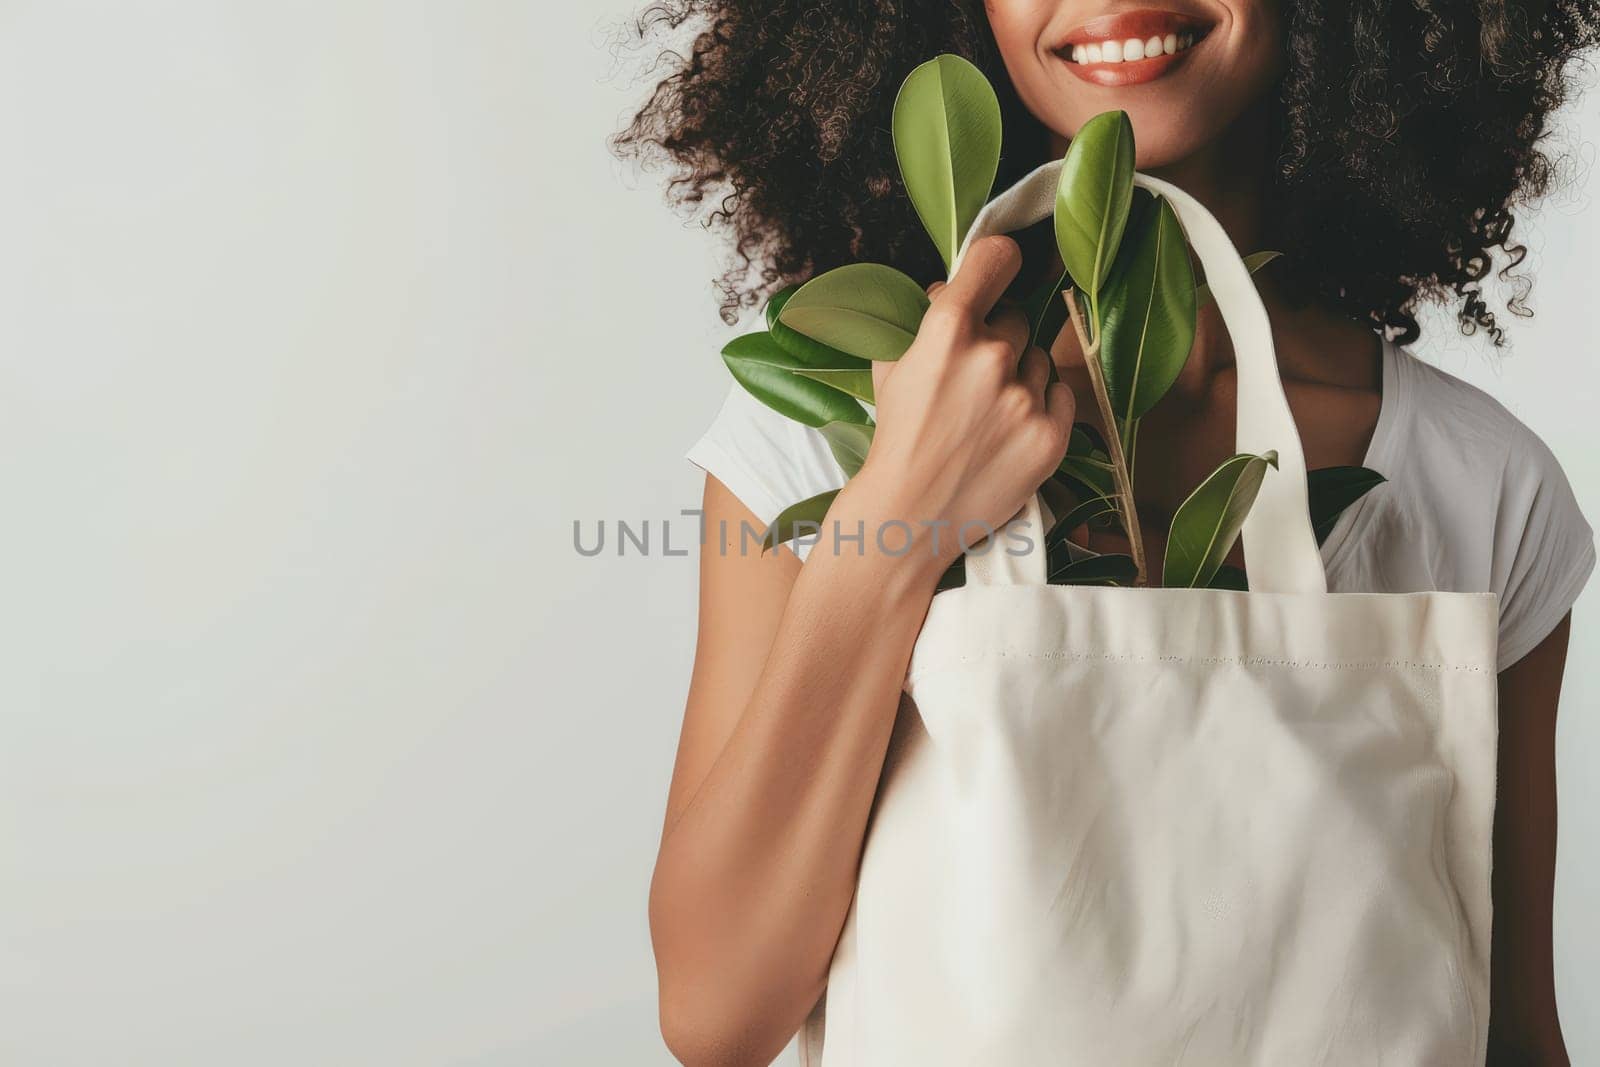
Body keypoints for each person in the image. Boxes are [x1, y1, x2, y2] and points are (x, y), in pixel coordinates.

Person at [614, 2, 1599, 1063]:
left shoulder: (1479, 480)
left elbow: (1506, 1026)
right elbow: (717, 1012)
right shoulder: (829, 435)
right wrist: (899, 517)